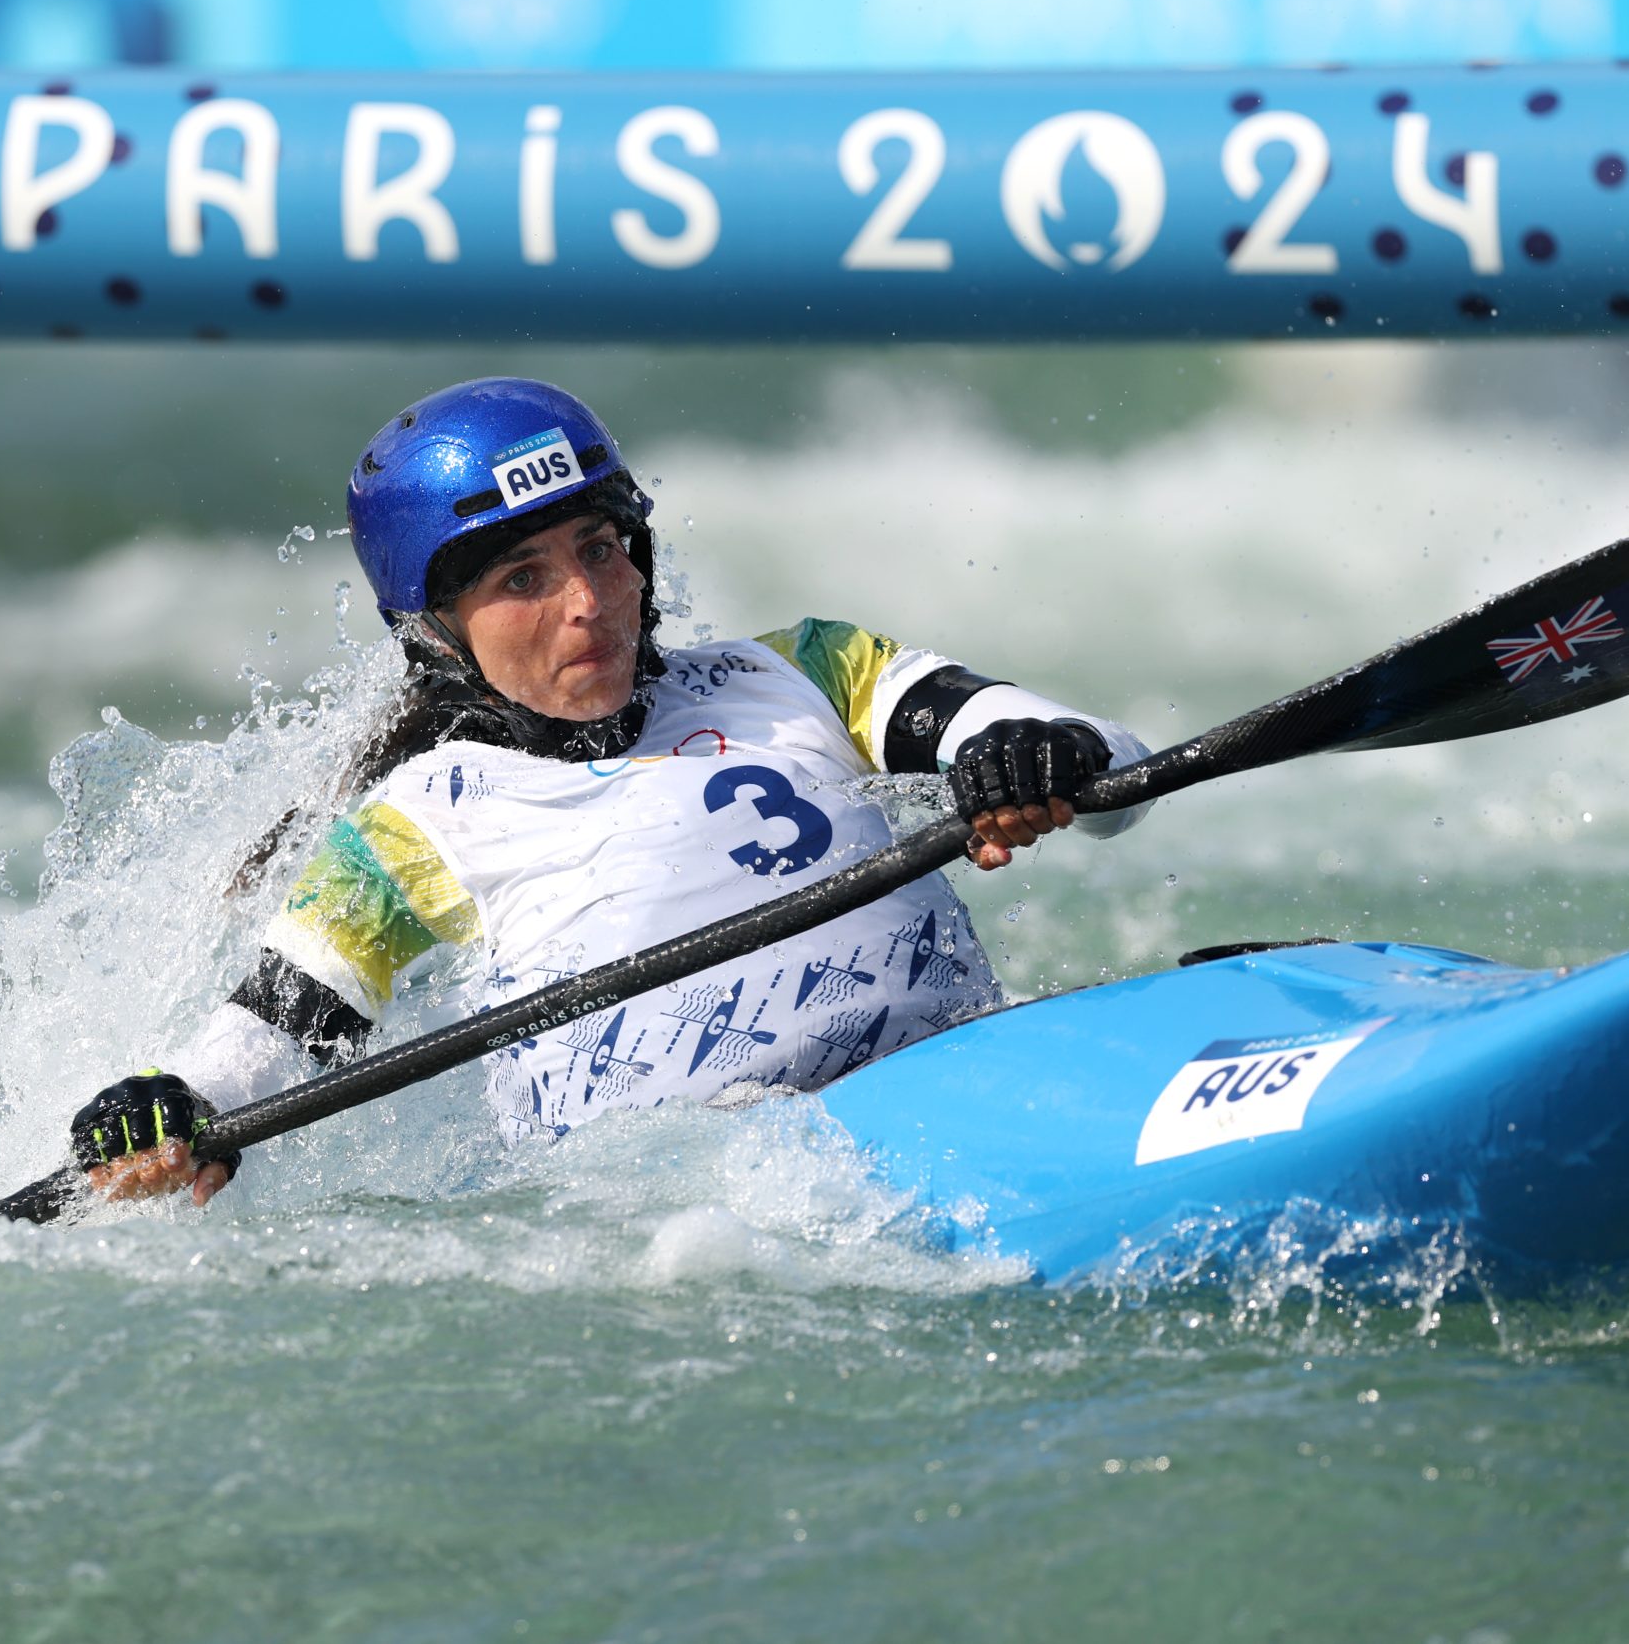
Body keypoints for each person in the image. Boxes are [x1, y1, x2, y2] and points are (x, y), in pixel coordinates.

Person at [72, 377, 1152, 1206]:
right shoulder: (417, 826)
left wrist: (1026, 759)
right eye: (522, 580)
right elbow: (263, 1042)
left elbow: (1103, 755)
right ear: (438, 635)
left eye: (601, 548)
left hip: (969, 1084)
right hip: (715, 1208)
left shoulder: (808, 670)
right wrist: (171, 1110)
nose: (589, 602)